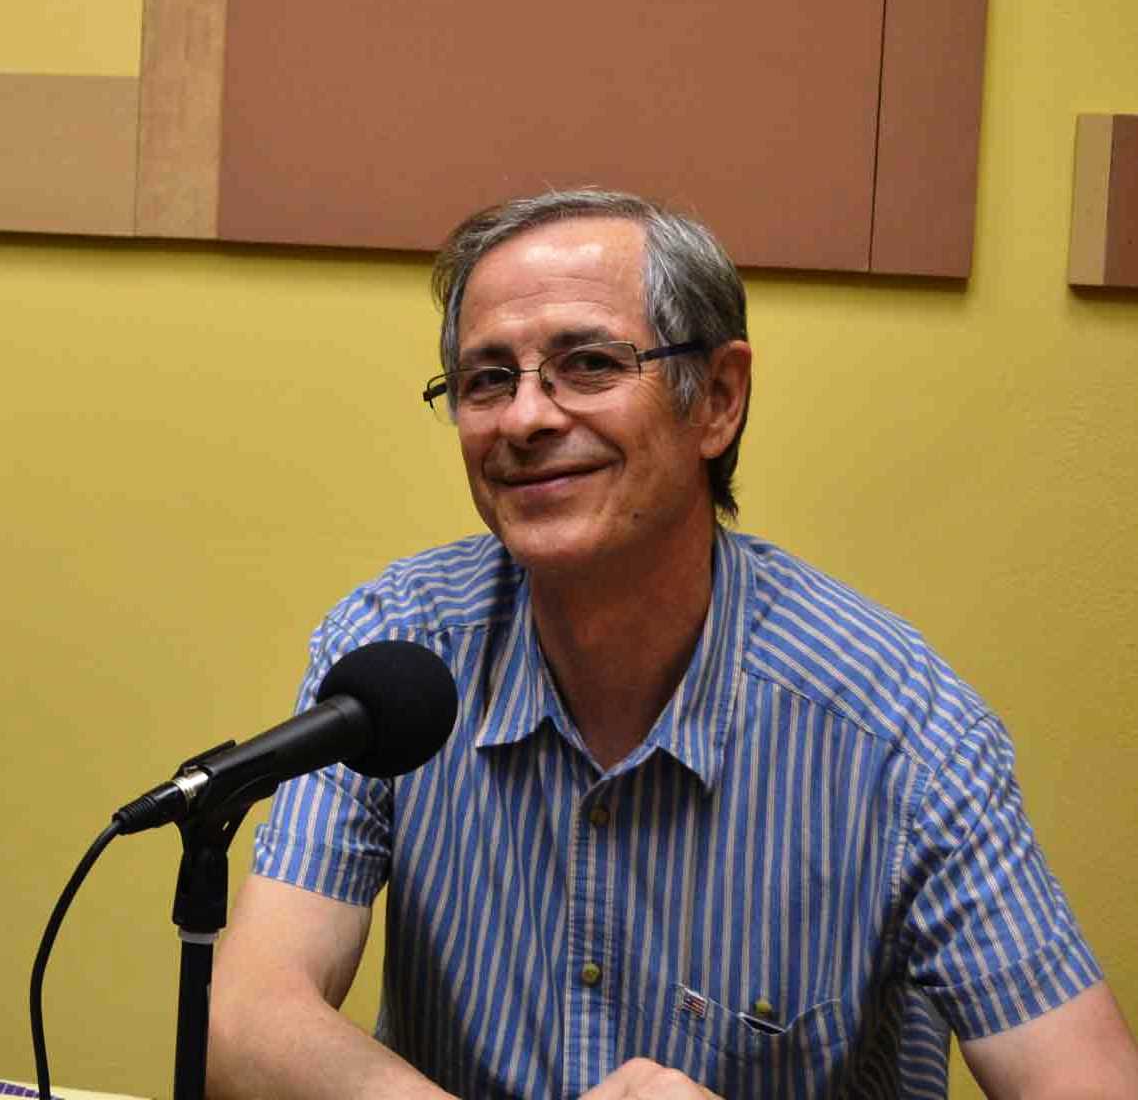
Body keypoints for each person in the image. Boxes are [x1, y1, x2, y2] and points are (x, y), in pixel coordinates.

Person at [206, 189, 1138, 1099]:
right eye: (487, 380)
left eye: (589, 364)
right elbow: (243, 1017)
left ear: (717, 400)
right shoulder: (398, 652)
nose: (525, 419)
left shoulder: (900, 730)